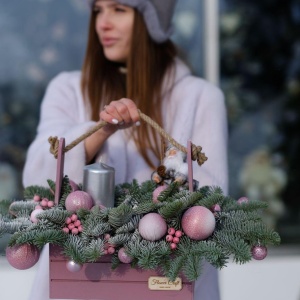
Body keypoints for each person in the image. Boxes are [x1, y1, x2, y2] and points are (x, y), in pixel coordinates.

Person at [23, 0, 228, 299]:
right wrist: (101, 130)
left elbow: (211, 204)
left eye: (119, 9)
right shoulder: (67, 89)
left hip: (165, 289)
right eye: (98, 10)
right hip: (79, 286)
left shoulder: (200, 98)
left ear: (152, 23)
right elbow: (36, 179)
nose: (103, 23)